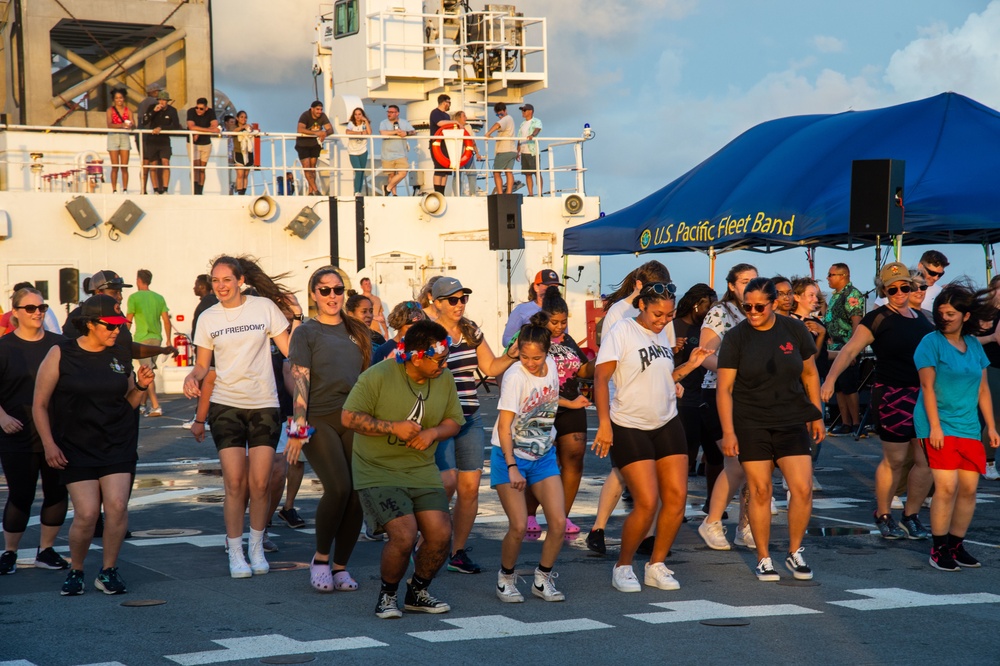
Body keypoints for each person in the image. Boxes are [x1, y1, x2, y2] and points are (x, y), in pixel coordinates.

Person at [183, 255, 303, 579]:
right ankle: (235, 551)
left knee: (261, 483)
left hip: (265, 404)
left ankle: (256, 546)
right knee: (235, 483)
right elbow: (202, 364)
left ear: (240, 282)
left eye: (226, 280)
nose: (220, 286)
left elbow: (291, 350)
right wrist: (191, 377)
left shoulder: (263, 308)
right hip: (226, 406)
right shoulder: (208, 318)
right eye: (216, 281)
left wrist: (302, 323)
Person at [341, 320, 464, 619]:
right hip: (378, 469)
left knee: (440, 533)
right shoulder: (378, 376)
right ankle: (387, 595)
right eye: (439, 359)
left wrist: (433, 433)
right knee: (405, 534)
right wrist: (392, 427)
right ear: (417, 356)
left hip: (421, 468)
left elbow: (454, 421)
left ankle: (417, 591)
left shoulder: (443, 378)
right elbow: (348, 418)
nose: (444, 364)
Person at [33, 295, 155, 596]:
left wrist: (140, 386)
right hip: (76, 446)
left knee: (116, 507)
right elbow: (39, 404)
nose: (116, 331)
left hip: (117, 443)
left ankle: (108, 570)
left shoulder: (118, 357)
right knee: (87, 514)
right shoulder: (61, 353)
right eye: (109, 325)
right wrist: (49, 445)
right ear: (89, 323)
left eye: (119, 325)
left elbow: (129, 403)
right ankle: (76, 569)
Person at [593, 281, 710, 593]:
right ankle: (623, 565)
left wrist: (689, 366)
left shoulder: (663, 333)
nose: (663, 319)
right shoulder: (621, 331)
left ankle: (656, 565)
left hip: (667, 420)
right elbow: (601, 379)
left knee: (676, 498)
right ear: (642, 305)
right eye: (658, 313)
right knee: (646, 501)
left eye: (669, 314)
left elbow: (659, 376)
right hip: (629, 424)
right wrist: (604, 423)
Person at [717, 278, 824, 581]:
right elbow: (724, 389)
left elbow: (809, 372)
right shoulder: (736, 338)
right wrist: (728, 432)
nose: (752, 311)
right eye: (746, 306)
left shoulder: (794, 329)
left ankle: (794, 551)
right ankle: (764, 557)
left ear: (774, 304)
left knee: (802, 488)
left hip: (791, 419)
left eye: (759, 306)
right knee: (760, 490)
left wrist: (816, 415)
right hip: (751, 421)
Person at [821, 262, 934, 541]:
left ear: (912, 287)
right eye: (891, 288)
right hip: (892, 394)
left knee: (926, 461)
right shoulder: (878, 318)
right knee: (895, 460)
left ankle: (911, 515)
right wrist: (830, 380)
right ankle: (883, 514)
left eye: (904, 287)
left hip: (922, 396)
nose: (899, 292)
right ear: (883, 290)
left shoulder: (922, 318)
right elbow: (849, 352)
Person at [287, 266, 371, 591]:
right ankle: (320, 559)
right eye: (325, 290)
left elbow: (366, 380)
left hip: (353, 417)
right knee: (337, 488)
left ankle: (340, 567)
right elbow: (300, 383)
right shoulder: (306, 333)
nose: (332, 296)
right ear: (314, 295)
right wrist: (298, 428)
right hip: (318, 418)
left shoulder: (358, 331)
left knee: (356, 493)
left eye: (338, 290)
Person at [587, 260, 674, 555]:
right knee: (622, 470)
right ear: (639, 287)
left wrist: (673, 378)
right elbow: (606, 366)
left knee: (654, 471)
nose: (662, 316)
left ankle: (647, 535)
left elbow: (664, 352)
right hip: (622, 399)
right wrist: (606, 419)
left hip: (657, 402)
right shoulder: (619, 314)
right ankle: (599, 527)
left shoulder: (662, 314)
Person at [432, 276, 518, 574]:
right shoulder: (429, 333)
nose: (459, 304)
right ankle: (428, 540)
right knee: (447, 483)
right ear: (437, 302)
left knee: (469, 489)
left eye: (463, 298)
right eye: (453, 300)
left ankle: (456, 552)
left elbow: (490, 367)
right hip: (440, 420)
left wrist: (511, 355)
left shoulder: (471, 330)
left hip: (470, 418)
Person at [914, 283, 999, 571]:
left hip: (968, 425)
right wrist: (935, 427)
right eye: (941, 312)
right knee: (947, 487)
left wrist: (991, 426)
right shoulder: (930, 343)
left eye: (951, 313)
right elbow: (926, 387)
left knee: (969, 489)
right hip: (937, 423)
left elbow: (983, 390)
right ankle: (938, 549)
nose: (944, 317)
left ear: (965, 315)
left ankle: (955, 544)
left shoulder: (974, 345)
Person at [492, 315, 567, 603]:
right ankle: (506, 578)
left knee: (558, 523)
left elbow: (549, 404)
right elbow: (503, 426)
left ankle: (542, 579)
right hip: (510, 455)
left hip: (543, 455)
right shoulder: (514, 377)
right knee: (519, 526)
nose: (531, 362)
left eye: (536, 357)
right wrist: (512, 466)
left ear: (547, 352)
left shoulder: (553, 368)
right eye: (524, 356)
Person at [0, 288, 68, 575]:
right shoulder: (4, 347)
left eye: (41, 307)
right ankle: (10, 552)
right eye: (30, 308)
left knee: (56, 493)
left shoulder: (60, 345)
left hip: (56, 434)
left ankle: (46, 550)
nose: (37, 312)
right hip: (17, 434)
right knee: (20, 494)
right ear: (15, 312)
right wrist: (1, 416)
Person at [697, 263, 759, 551]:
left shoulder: (758, 312)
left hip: (752, 397)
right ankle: (711, 521)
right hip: (717, 393)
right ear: (732, 286)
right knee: (736, 464)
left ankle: (745, 526)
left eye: (755, 280)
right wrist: (733, 370)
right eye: (745, 280)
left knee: (754, 466)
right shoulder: (721, 312)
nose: (750, 284)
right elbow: (704, 355)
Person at [524, 288, 594, 537]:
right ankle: (530, 514)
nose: (560, 327)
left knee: (574, 457)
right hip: (545, 406)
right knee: (539, 460)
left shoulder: (567, 340)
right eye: (554, 322)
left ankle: (561, 516)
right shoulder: (535, 339)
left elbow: (582, 370)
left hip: (573, 403)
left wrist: (598, 362)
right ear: (543, 317)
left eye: (564, 322)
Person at [672, 284, 722, 497]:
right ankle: (677, 505)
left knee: (715, 454)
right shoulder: (673, 326)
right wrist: (673, 349)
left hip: (707, 394)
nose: (712, 310)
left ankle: (712, 501)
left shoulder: (710, 329)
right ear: (695, 305)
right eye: (708, 305)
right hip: (685, 399)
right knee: (686, 454)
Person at [823, 263, 865, 435]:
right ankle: (845, 422)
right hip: (834, 348)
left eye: (831, 274)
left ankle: (856, 423)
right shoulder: (835, 296)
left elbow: (856, 321)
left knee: (849, 386)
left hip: (847, 347)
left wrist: (853, 348)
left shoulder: (852, 294)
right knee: (839, 387)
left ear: (843, 276)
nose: (828, 278)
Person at [126, 269, 171, 417]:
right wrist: (169, 339)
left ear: (139, 280)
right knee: (148, 368)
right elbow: (166, 320)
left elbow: (129, 320)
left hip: (142, 338)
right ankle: (143, 405)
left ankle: (156, 406)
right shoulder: (159, 298)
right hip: (156, 339)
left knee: (147, 372)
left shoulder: (134, 297)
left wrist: (124, 337)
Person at [501, 269, 563, 347]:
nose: (552, 290)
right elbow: (506, 340)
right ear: (536, 287)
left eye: (555, 287)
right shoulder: (521, 310)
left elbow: (564, 337)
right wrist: (525, 346)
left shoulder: (559, 311)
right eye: (548, 286)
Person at [977, 274, 1000, 481]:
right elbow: (971, 340)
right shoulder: (985, 313)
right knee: (993, 418)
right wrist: (992, 337)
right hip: (991, 367)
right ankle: (988, 461)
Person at [142, 90, 182, 194]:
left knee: (165, 163)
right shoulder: (152, 108)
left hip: (164, 140)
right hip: (152, 140)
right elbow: (144, 121)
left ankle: (165, 189)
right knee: (153, 165)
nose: (162, 102)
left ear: (167, 101)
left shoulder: (172, 110)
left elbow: (176, 126)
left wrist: (161, 127)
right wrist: (154, 112)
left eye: (164, 100)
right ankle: (155, 189)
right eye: (161, 100)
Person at [296, 101, 333, 196]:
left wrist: (325, 133)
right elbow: (300, 129)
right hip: (302, 144)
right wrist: (317, 133)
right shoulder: (305, 115)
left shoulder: (323, 116)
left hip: (314, 144)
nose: (319, 111)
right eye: (317, 109)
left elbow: (330, 129)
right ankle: (316, 190)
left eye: (321, 109)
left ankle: (310, 191)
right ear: (312, 109)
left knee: (313, 168)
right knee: (307, 167)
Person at [186, 97, 220, 195]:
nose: (198, 110)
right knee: (195, 167)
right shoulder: (191, 112)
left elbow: (215, 125)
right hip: (193, 143)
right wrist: (208, 130)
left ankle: (199, 191)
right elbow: (191, 127)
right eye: (197, 108)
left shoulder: (211, 112)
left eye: (201, 109)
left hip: (205, 143)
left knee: (202, 168)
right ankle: (194, 191)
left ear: (206, 108)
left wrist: (199, 132)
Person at [378, 105, 415, 196]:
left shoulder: (404, 122)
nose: (389, 114)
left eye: (391, 112)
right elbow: (382, 133)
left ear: (397, 113)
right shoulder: (383, 122)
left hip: (401, 153)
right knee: (391, 175)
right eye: (388, 112)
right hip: (387, 153)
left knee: (403, 173)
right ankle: (394, 194)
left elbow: (413, 131)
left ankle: (388, 188)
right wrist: (396, 132)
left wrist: (405, 133)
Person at [484, 101, 516, 194]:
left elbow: (497, 125)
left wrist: (488, 133)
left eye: (501, 114)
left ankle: (500, 193)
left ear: (505, 111)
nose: (500, 116)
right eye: (498, 115)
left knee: (496, 172)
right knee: (508, 172)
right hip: (511, 150)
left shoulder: (507, 118)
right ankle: (509, 193)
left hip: (504, 150)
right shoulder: (510, 119)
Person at [105, 88, 132, 193]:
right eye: (116, 98)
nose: (119, 100)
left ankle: (125, 189)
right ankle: (114, 189)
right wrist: (121, 125)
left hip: (124, 136)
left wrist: (129, 125)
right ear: (113, 99)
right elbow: (109, 124)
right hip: (113, 136)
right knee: (115, 166)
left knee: (124, 166)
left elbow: (132, 123)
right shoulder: (110, 110)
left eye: (120, 97)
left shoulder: (128, 110)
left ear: (124, 98)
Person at [429, 94, 456, 194]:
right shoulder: (435, 113)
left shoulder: (447, 115)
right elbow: (440, 123)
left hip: (446, 144)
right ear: (444, 102)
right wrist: (455, 122)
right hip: (437, 144)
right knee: (439, 168)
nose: (449, 105)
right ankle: (437, 192)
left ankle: (442, 192)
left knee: (446, 170)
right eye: (449, 102)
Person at [451, 110, 482, 196]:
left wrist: (477, 153)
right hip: (458, 153)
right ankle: (457, 194)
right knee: (457, 174)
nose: (466, 118)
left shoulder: (468, 127)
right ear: (459, 118)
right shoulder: (453, 127)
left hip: (468, 153)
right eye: (464, 116)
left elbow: (472, 141)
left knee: (472, 174)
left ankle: (472, 193)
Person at [516, 104, 543, 196]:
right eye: (522, 110)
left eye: (524, 110)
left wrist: (532, 135)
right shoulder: (522, 124)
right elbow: (519, 138)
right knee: (527, 174)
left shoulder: (536, 121)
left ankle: (540, 192)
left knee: (536, 172)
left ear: (530, 111)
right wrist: (518, 151)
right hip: (524, 151)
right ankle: (530, 193)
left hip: (533, 151)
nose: (522, 112)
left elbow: (537, 129)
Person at [345, 107, 371, 196]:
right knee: (358, 171)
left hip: (363, 150)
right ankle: (356, 191)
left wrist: (366, 121)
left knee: (362, 171)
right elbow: (347, 132)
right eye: (356, 114)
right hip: (353, 151)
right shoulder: (351, 123)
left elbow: (369, 133)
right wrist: (359, 133)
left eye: (359, 114)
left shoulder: (364, 123)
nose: (357, 116)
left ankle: (359, 191)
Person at [233, 111, 257, 195]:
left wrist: (251, 129)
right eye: (242, 117)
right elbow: (233, 131)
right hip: (239, 152)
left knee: (246, 175)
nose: (244, 119)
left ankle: (243, 192)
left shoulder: (249, 128)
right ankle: (240, 193)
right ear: (237, 118)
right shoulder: (235, 127)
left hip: (248, 152)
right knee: (240, 174)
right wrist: (243, 127)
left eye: (245, 117)